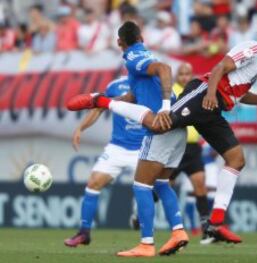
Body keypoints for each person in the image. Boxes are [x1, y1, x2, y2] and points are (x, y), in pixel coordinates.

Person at [68, 25, 257, 245]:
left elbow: (240, 94)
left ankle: (215, 223)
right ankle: (101, 100)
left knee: (237, 160)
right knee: (160, 124)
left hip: (213, 110)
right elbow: (220, 67)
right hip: (201, 96)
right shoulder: (253, 49)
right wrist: (210, 94)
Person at [68, 21, 190, 257]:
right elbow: (136, 95)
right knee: (162, 184)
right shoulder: (143, 55)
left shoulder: (134, 56)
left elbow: (164, 68)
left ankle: (146, 244)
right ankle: (178, 232)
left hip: (161, 125)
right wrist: (110, 101)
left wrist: (164, 107)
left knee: (141, 185)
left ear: (119, 42)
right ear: (142, 37)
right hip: (178, 128)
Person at [64, 76, 147, 247]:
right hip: (117, 147)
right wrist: (81, 128)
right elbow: (97, 109)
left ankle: (145, 227)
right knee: (93, 183)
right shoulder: (115, 86)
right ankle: (84, 233)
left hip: (143, 148)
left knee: (149, 190)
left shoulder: (150, 85)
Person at [170, 63, 212, 244]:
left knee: (200, 185)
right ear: (176, 76)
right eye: (182, 74)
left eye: (188, 73)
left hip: (193, 148)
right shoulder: (170, 93)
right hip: (174, 147)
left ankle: (206, 229)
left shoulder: (196, 91)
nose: (185, 77)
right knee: (165, 187)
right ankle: (139, 215)